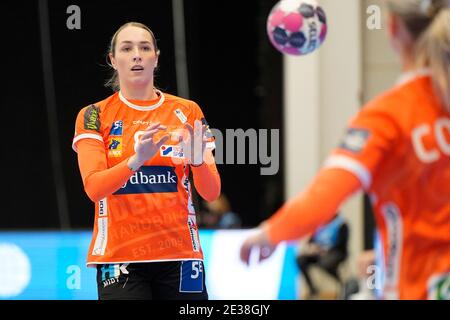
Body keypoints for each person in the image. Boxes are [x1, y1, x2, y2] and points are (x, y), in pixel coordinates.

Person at [240, 0, 450, 300]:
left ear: (392, 28)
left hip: (419, 287)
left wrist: (270, 233)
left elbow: (325, 197)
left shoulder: (388, 116)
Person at [72, 22, 220, 300]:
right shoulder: (93, 115)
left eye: (145, 47)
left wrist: (198, 161)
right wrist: (136, 160)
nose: (137, 55)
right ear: (113, 60)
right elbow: (94, 188)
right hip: (119, 258)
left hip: (182, 256)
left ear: (156, 57)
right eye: (127, 49)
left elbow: (211, 193)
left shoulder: (187, 111)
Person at [296, 214, 348, 298]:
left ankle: (341, 283)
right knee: (301, 259)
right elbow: (311, 241)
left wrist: (326, 250)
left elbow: (342, 244)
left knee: (325, 263)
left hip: (336, 252)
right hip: (319, 254)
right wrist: (314, 248)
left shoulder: (341, 224)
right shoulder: (320, 225)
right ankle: (312, 289)